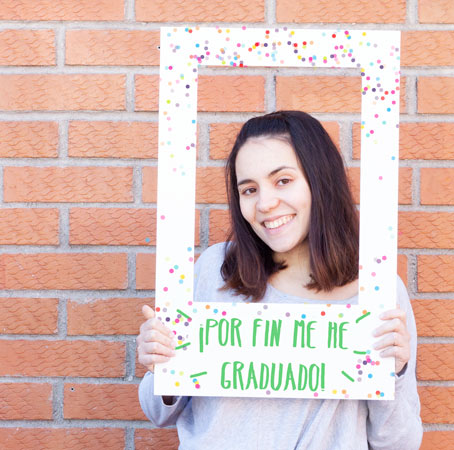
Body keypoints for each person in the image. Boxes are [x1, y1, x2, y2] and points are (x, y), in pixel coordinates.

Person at [137, 110, 422, 449]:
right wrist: (160, 364)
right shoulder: (216, 270)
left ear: (320, 181)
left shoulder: (377, 291)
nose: (266, 203)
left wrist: (396, 372)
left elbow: (400, 443)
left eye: (283, 180)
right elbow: (159, 412)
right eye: (249, 189)